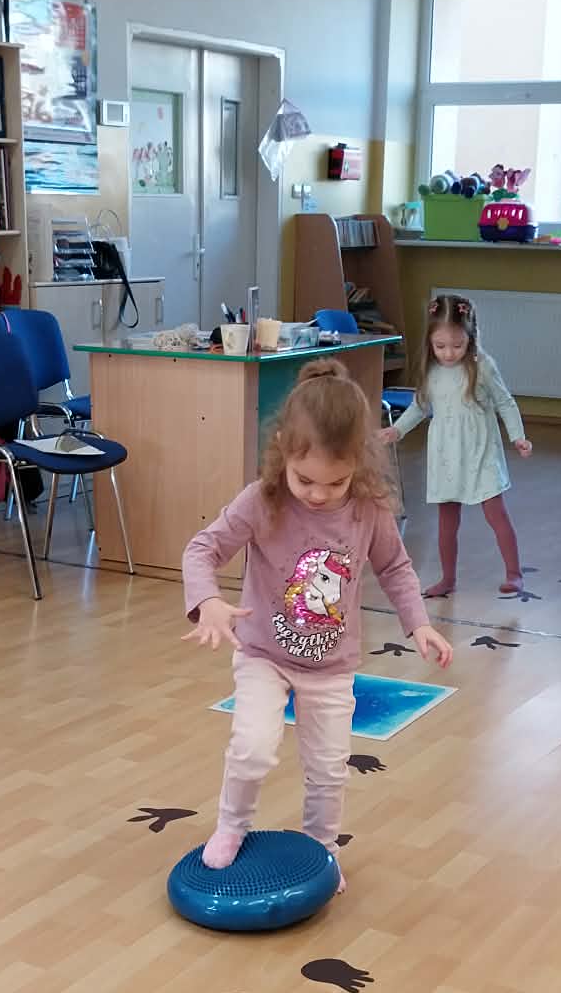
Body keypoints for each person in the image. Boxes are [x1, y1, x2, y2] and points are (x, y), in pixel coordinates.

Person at [183, 360, 452, 886]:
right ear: (282, 448)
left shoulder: (368, 509)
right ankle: (231, 826)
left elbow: (395, 567)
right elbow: (202, 549)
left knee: (329, 769)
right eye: (305, 479)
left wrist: (418, 623)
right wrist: (208, 600)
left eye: (336, 482)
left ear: (360, 463)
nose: (318, 494)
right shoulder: (262, 501)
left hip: (331, 666)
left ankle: (321, 851)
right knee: (252, 749)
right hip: (264, 654)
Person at [383, 293, 532, 597]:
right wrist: (397, 431)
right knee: (447, 520)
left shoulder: (482, 366)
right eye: (440, 346)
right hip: (446, 455)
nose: (449, 354)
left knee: (496, 513)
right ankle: (447, 578)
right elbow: (420, 406)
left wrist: (517, 436)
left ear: (470, 338)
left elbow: (505, 401)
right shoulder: (431, 370)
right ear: (430, 342)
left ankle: (514, 574)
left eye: (457, 345)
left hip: (480, 451)